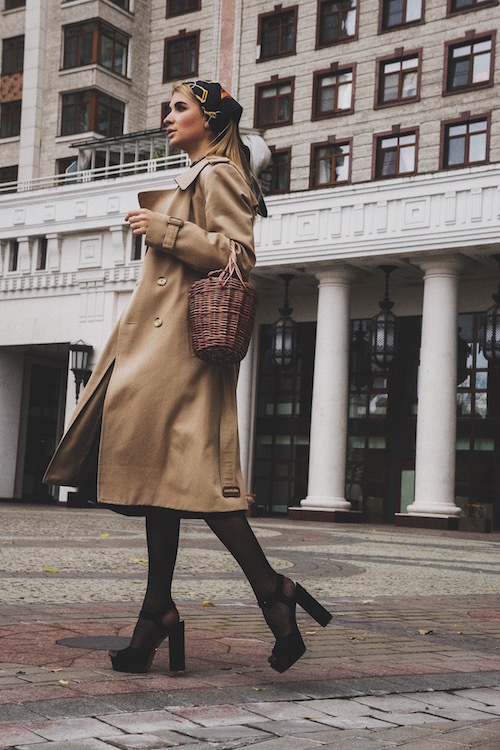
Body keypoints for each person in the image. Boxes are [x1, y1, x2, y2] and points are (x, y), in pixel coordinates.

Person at [43, 80, 332, 675]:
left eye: (180, 108)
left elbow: (238, 256)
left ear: (211, 118)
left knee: (191, 479)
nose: (169, 117)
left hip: (180, 354)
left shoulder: (219, 174)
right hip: (161, 349)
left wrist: (164, 229)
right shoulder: (195, 175)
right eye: (169, 108)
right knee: (162, 478)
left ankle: (271, 591)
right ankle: (159, 610)